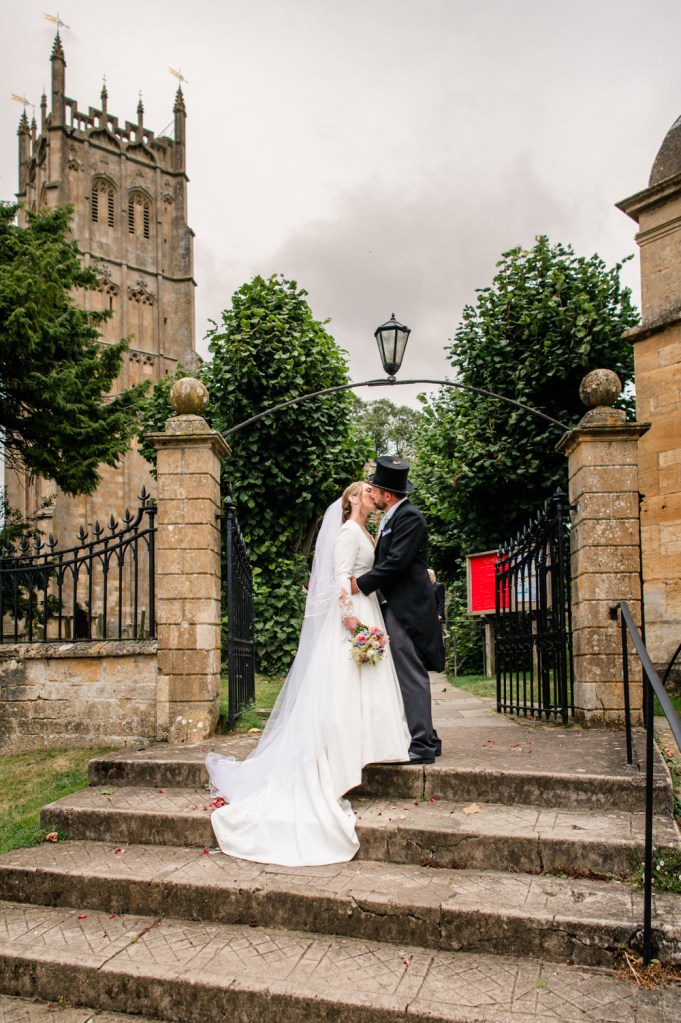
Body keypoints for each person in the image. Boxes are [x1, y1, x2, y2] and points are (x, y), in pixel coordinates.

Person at [205, 481, 411, 866]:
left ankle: (364, 748)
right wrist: (349, 618)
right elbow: (339, 577)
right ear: (352, 499)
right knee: (343, 688)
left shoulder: (365, 530)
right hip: (352, 616)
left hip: (367, 609)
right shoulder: (347, 532)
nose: (373, 495)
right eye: (366, 491)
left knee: (363, 687)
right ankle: (338, 761)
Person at [352, 457, 444, 765]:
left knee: (410, 673)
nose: (374, 494)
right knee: (401, 673)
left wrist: (359, 585)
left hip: (407, 609)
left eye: (376, 490)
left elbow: (396, 563)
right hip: (394, 605)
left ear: (387, 495)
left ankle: (422, 745)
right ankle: (428, 737)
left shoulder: (409, 517)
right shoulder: (394, 516)